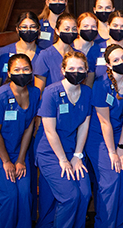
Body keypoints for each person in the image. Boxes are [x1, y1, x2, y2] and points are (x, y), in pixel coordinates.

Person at [34, 51, 93, 228]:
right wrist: (63, 160)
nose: (76, 71)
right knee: (70, 196)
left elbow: (84, 125)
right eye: (72, 68)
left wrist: (77, 155)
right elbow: (50, 131)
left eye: (80, 68)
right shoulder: (51, 92)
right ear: (63, 69)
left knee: (84, 193)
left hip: (72, 149)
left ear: (86, 70)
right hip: (50, 152)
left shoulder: (87, 92)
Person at [0, 53, 40, 228]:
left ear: (31, 72)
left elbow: (29, 126)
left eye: (26, 69)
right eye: (17, 70)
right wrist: (6, 161)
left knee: (24, 195)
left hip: (17, 150)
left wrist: (21, 159)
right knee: (9, 197)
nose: (21, 73)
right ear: (9, 73)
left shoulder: (35, 92)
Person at [90, 44, 123, 228]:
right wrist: (112, 152)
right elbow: (104, 122)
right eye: (116, 60)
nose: (122, 62)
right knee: (111, 181)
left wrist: (121, 148)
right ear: (109, 65)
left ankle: (119, 224)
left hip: (120, 134)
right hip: (99, 136)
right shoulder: (100, 85)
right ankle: (104, 224)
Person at [33, 13, 78, 92]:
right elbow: (39, 90)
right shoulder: (45, 55)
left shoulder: (78, 55)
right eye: (66, 29)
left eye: (74, 29)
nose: (71, 32)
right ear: (57, 31)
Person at [0, 11, 43, 83]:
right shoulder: (3, 52)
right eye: (24, 27)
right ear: (17, 29)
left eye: (33, 27)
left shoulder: (43, 54)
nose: (28, 30)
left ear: (38, 29)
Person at [74, 12, 104, 86]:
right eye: (85, 26)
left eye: (93, 26)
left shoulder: (99, 49)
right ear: (78, 29)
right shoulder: (70, 48)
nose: (90, 29)